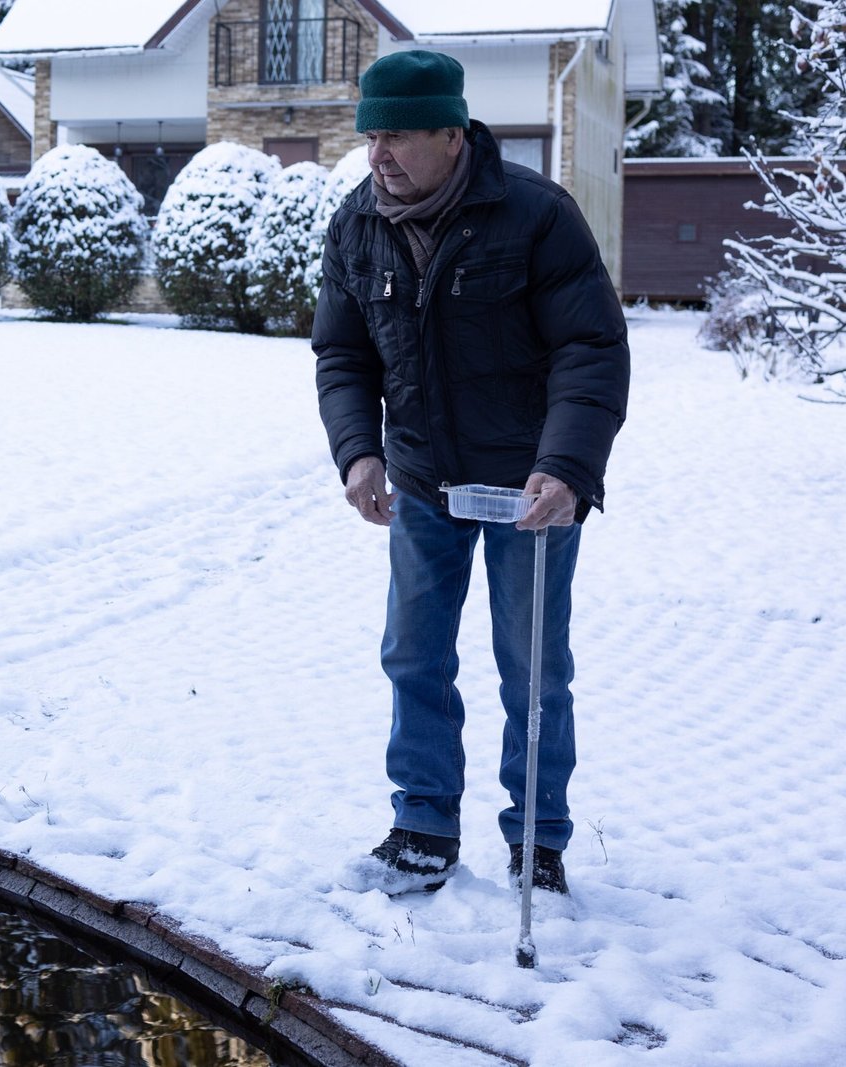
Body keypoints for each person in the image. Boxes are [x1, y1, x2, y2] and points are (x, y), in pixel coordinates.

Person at [313, 49, 630, 896]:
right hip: (422, 484)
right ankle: (421, 825)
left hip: (528, 491)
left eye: (400, 135)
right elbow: (342, 354)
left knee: (531, 665)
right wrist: (358, 450)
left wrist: (566, 469)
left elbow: (590, 348)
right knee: (414, 656)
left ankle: (538, 841)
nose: (379, 153)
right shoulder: (356, 226)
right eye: (370, 135)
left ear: (453, 135)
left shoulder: (534, 216)